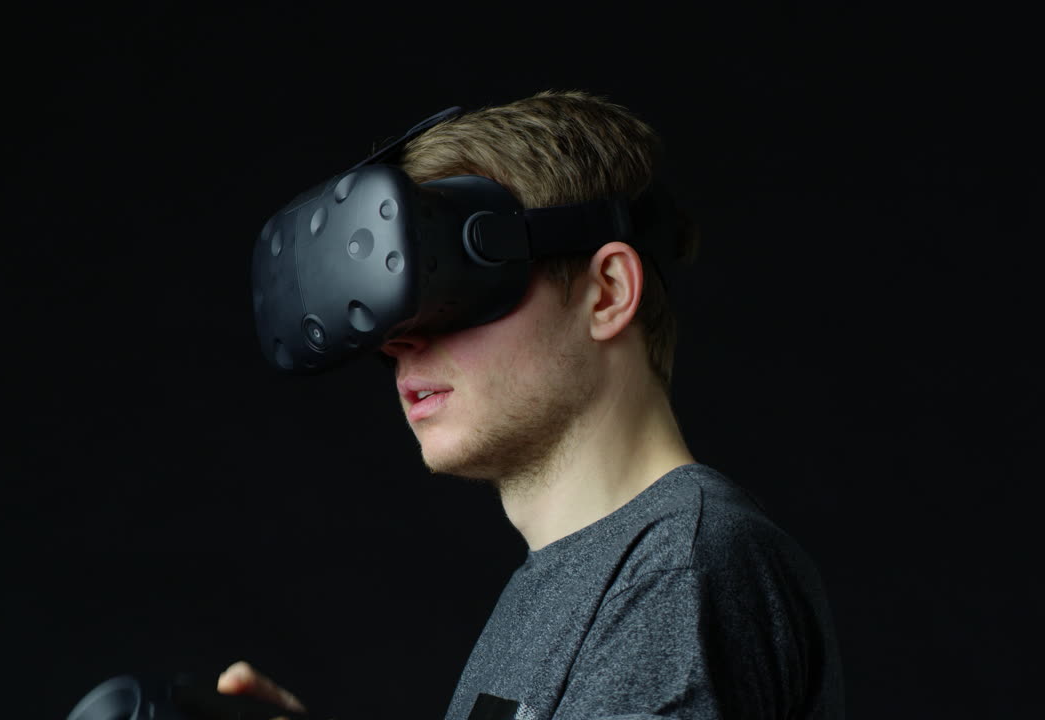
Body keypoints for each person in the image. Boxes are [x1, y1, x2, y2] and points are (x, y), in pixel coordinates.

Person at [220, 90, 845, 720]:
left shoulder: (679, 571)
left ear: (607, 294)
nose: (401, 338)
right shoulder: (581, 575)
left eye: (447, 290)